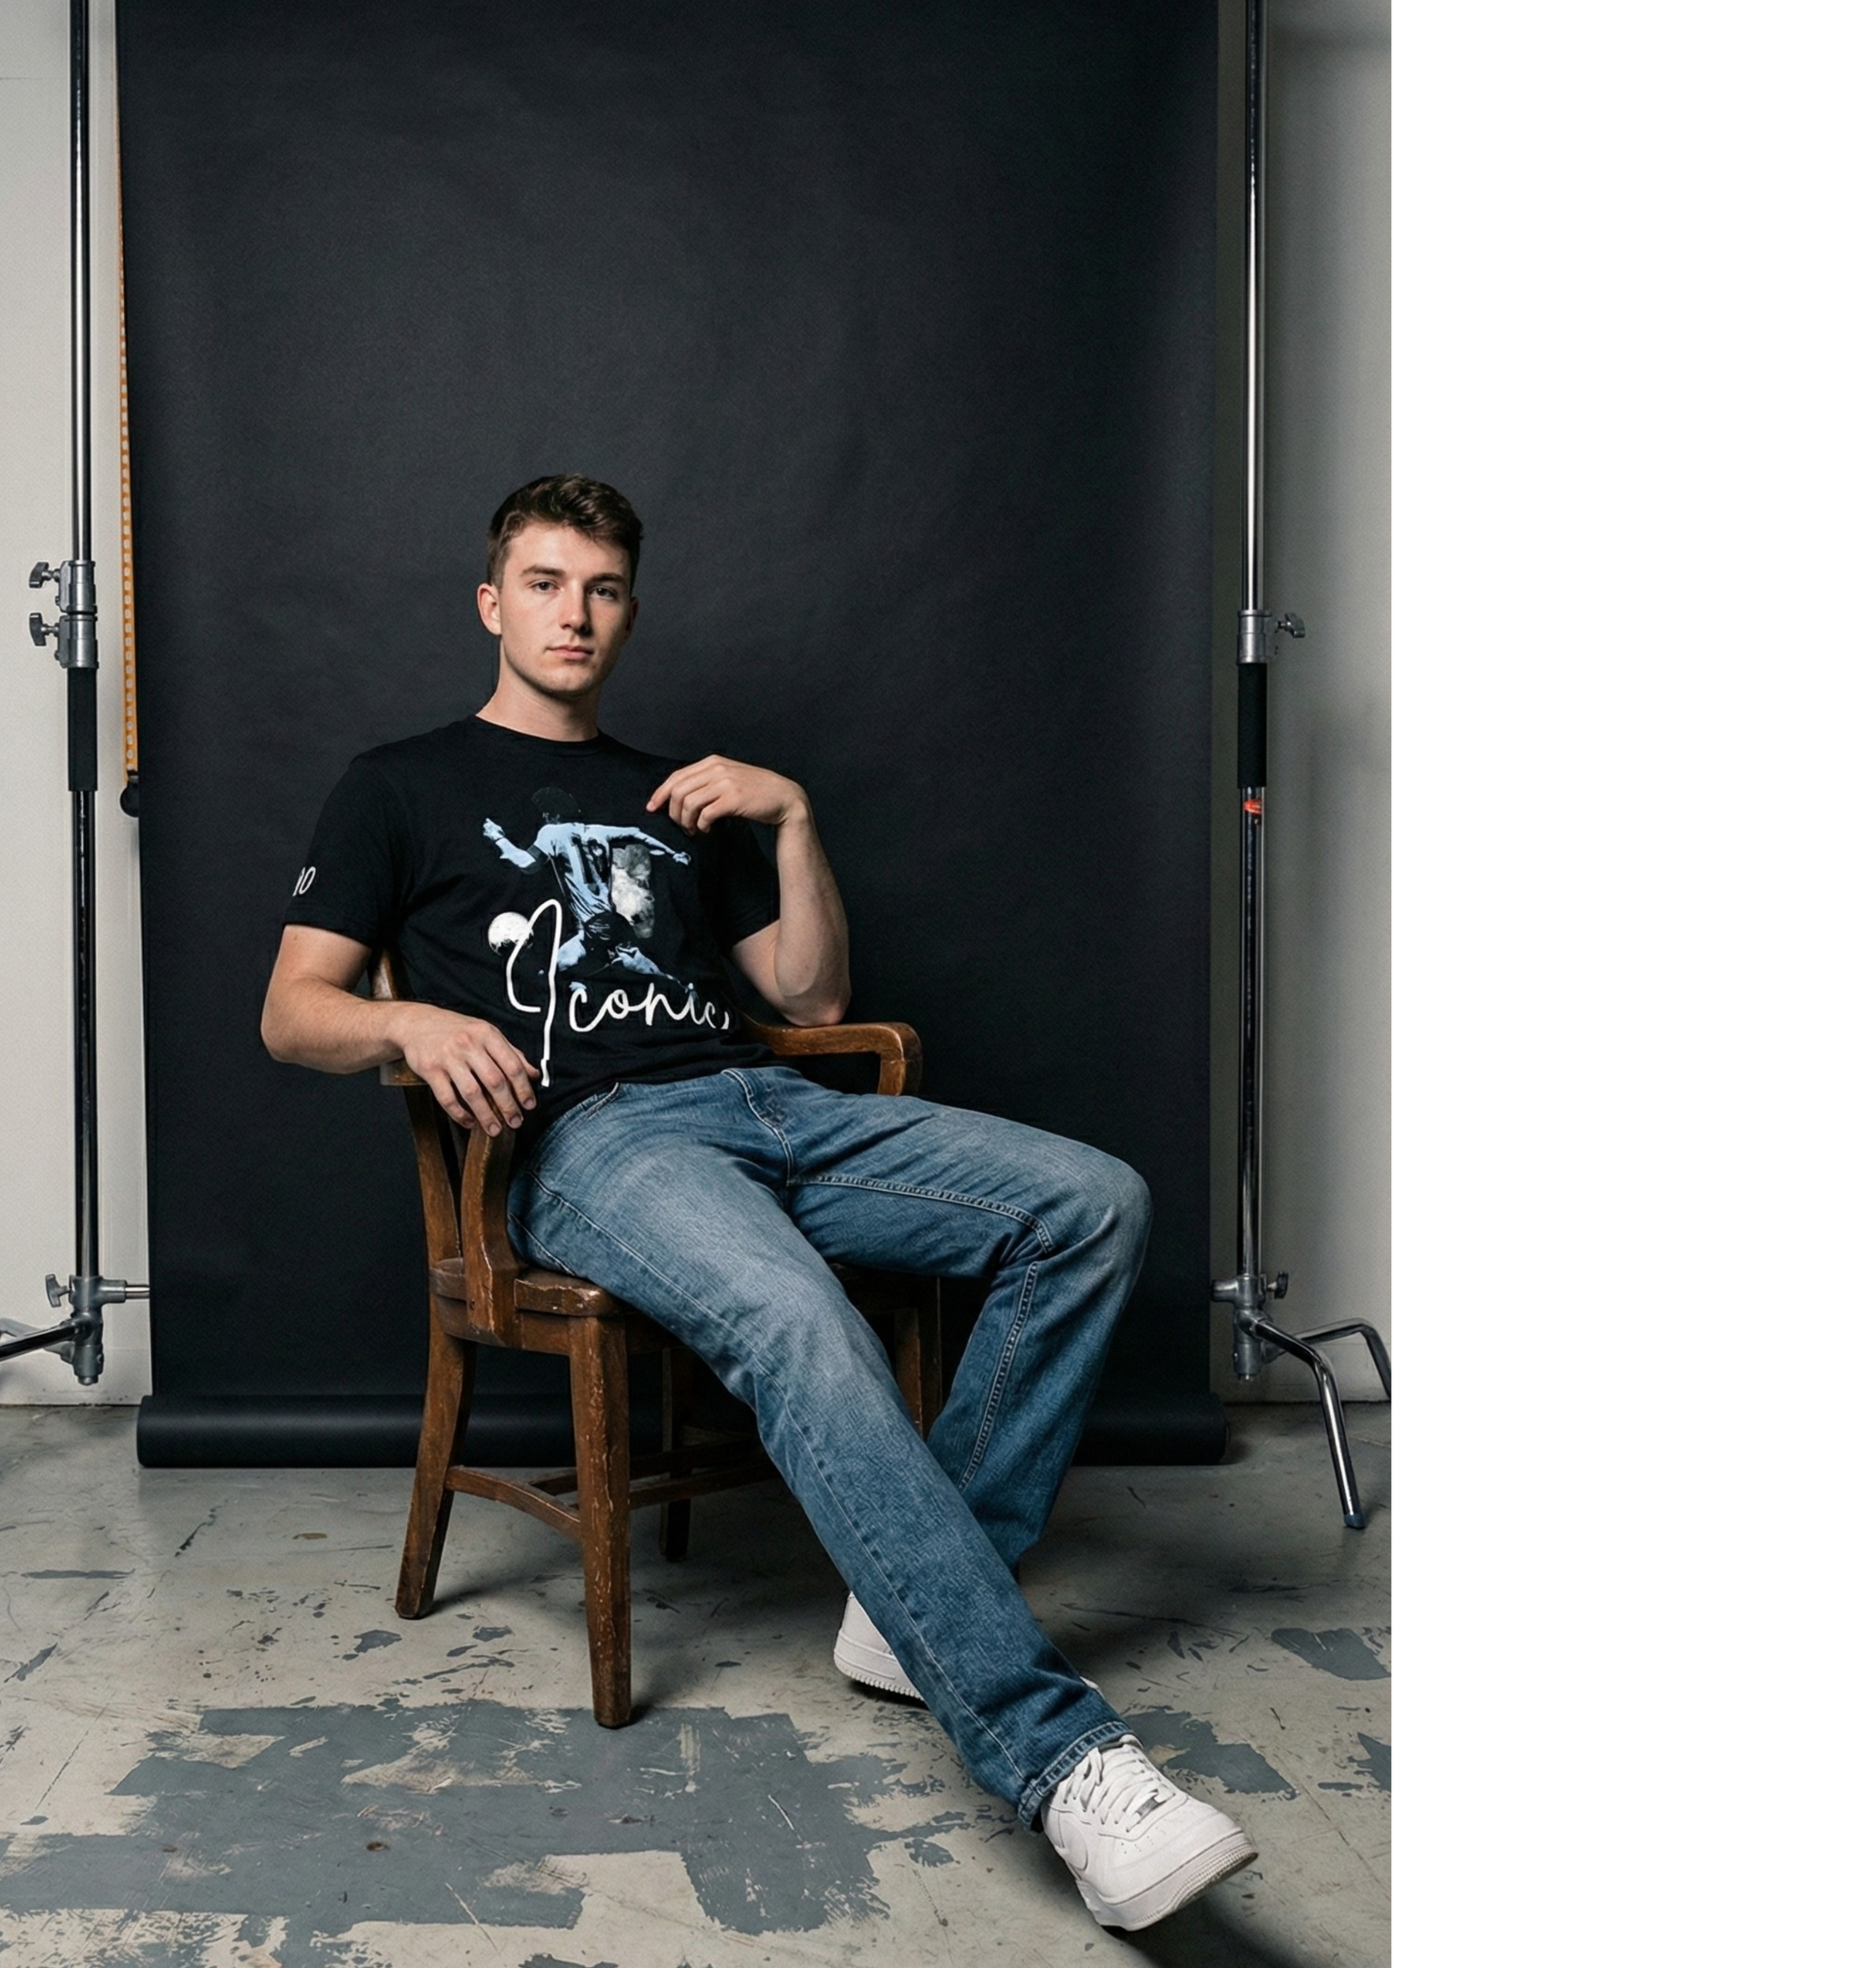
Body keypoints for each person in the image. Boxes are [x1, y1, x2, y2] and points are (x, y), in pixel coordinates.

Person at [259, 474, 1256, 1932]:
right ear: (493, 603)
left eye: (600, 590)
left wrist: (791, 817)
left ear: (630, 611)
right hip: (594, 1144)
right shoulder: (397, 783)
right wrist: (410, 1027)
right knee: (797, 1316)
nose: (573, 614)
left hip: (770, 1100)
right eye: (543, 584)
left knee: (1092, 1204)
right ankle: (1063, 1761)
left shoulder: (677, 796)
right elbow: (292, 1012)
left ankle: (916, 1608)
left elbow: (813, 995)